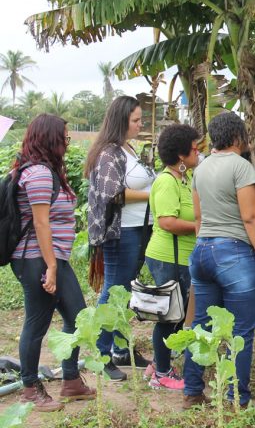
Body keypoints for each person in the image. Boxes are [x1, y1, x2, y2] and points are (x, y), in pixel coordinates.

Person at [182, 111, 255, 409]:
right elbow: (250, 217)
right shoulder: (241, 166)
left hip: (202, 251)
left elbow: (198, 217)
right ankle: (237, 399)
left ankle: (193, 392)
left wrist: (204, 245)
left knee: (201, 325)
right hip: (234, 254)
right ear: (237, 137)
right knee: (242, 332)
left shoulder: (201, 168)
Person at [10, 114, 95, 411]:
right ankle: (30, 388)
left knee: (77, 315)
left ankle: (71, 381)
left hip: (52, 257)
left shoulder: (47, 171)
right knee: (37, 322)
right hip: (37, 259)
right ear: (50, 139)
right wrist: (52, 267)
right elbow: (41, 223)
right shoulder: (39, 175)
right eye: (64, 138)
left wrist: (56, 262)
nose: (67, 144)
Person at [85, 95, 154, 382]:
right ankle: (101, 355)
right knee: (114, 291)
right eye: (135, 120)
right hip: (121, 231)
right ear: (121, 120)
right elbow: (113, 193)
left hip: (138, 228)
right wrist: (154, 195)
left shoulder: (127, 148)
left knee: (124, 291)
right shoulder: (109, 153)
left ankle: (121, 349)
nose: (140, 125)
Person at [144, 124, 201, 390]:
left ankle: (158, 364)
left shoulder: (183, 179)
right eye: (193, 147)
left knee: (176, 315)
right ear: (181, 154)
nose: (198, 150)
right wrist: (200, 227)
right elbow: (167, 221)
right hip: (168, 256)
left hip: (180, 256)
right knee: (169, 316)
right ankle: (162, 373)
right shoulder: (167, 181)